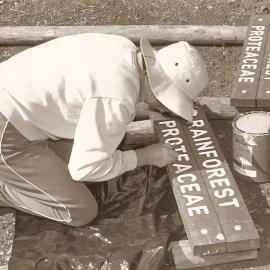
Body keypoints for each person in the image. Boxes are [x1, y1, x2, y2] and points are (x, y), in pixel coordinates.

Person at [0, 33, 208, 226]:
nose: (164, 108)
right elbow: (84, 169)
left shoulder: (122, 46)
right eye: (168, 103)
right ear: (161, 90)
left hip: (13, 97)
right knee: (80, 210)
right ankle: (4, 190)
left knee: (111, 142)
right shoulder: (117, 99)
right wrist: (143, 156)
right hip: (7, 127)